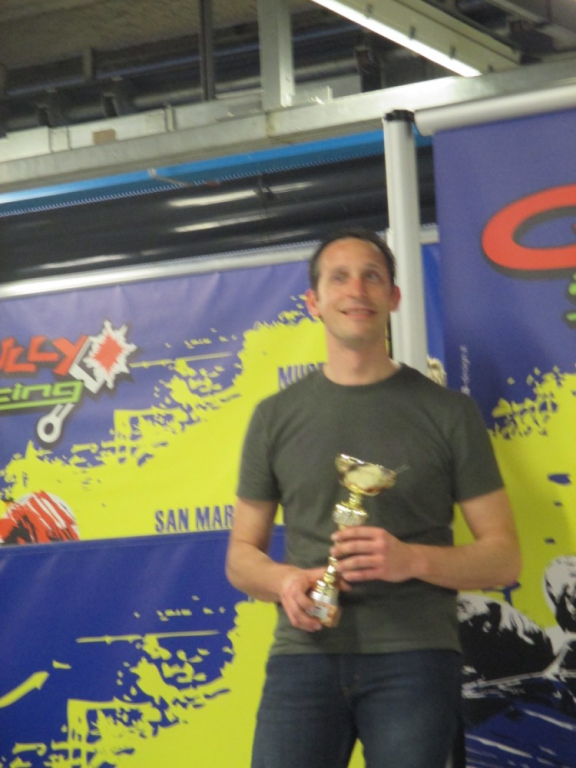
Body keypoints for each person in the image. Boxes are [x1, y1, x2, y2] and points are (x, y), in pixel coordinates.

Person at [226, 228, 521, 768]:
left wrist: (410, 560)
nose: (356, 290)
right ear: (314, 302)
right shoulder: (274, 417)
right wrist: (285, 582)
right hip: (303, 657)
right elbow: (241, 557)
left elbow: (503, 558)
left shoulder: (449, 413)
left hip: (415, 659)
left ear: (394, 297)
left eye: (372, 277)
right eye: (339, 277)